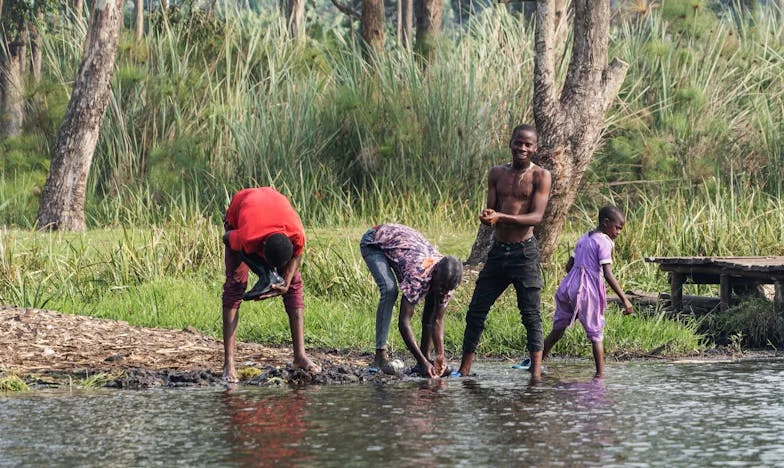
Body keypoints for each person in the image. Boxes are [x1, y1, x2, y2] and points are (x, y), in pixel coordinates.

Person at [455, 124, 552, 382]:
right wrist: (488, 216)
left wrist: (501, 217)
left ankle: (536, 372)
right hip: (498, 251)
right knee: (476, 310)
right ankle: (464, 370)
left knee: (530, 313)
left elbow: (536, 217)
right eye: (518, 143)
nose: (522, 148)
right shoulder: (496, 173)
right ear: (510, 144)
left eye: (528, 144)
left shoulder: (541, 176)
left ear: (535, 148)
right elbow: (491, 210)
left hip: (524, 253)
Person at [221, 187, 320, 382]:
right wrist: (259, 269)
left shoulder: (297, 234)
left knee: (294, 285)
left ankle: (300, 356)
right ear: (262, 249)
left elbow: (297, 254)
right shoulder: (247, 237)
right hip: (240, 212)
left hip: (273, 208)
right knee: (235, 285)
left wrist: (286, 281)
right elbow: (226, 238)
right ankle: (229, 363)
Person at [360, 224, 463, 378]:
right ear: (434, 273)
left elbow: (436, 320)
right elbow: (404, 322)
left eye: (446, 289)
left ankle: (425, 359)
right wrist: (422, 361)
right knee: (389, 290)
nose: (443, 292)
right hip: (374, 241)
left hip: (403, 245)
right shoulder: (419, 274)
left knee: (432, 305)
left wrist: (440, 355)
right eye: (441, 287)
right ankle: (380, 357)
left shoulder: (448, 282)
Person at [542, 205, 634, 378]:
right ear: (606, 223)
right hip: (587, 291)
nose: (619, 232)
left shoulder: (584, 238)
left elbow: (568, 266)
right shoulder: (605, 242)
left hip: (568, 287)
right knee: (596, 334)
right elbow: (607, 273)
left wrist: (576, 280)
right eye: (617, 227)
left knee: (557, 330)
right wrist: (625, 299)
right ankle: (600, 376)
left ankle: (535, 364)